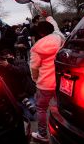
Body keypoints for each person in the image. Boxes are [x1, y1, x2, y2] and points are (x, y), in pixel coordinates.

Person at [29, 13, 65, 142]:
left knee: (41, 108)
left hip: (45, 83)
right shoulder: (60, 37)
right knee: (60, 109)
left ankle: (43, 134)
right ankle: (62, 133)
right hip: (61, 82)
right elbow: (55, 26)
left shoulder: (36, 47)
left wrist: (35, 79)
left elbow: (34, 68)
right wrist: (49, 16)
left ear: (40, 33)